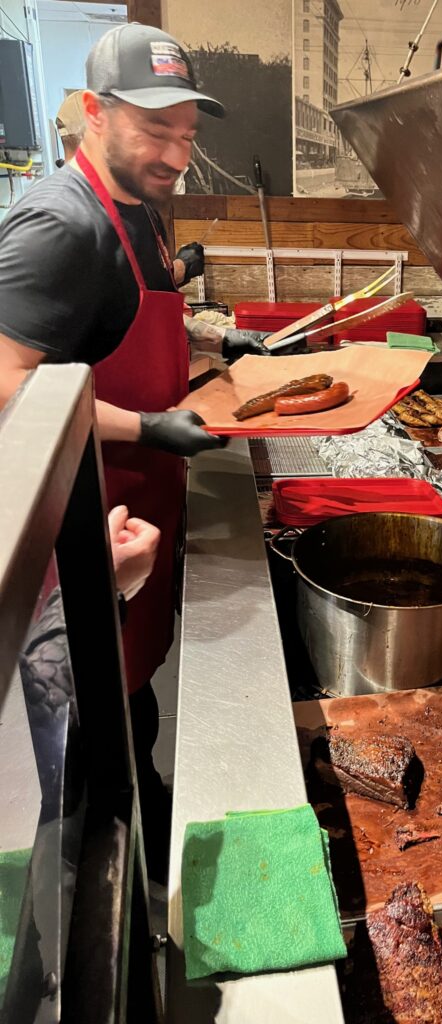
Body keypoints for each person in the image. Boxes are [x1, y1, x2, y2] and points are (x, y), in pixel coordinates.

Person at [0, 22, 238, 883]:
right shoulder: (59, 225)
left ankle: (148, 824)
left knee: (128, 718)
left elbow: (116, 335)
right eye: (154, 129)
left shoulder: (137, 206)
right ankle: (71, 952)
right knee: (79, 769)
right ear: (94, 113)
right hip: (79, 535)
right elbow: (7, 385)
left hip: (135, 516)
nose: (176, 152)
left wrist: (213, 348)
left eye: (187, 134)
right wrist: (149, 429)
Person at [53, 89, 271, 360]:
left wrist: (221, 339)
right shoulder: (59, 223)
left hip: (162, 377)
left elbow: (141, 311)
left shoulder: (138, 206)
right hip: (113, 395)